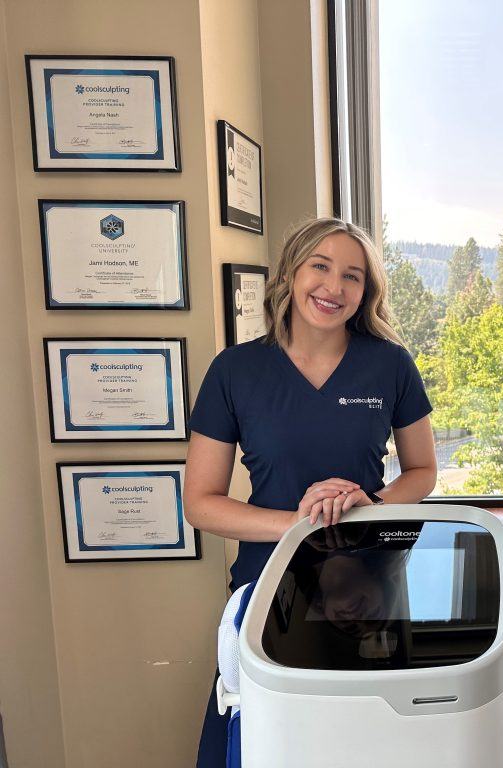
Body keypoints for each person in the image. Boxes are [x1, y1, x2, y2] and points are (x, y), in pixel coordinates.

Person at [184, 217, 437, 767]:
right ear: (290, 273)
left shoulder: (389, 364)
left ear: (365, 291)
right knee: (270, 740)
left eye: (352, 276)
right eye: (320, 266)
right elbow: (200, 502)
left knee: (373, 742)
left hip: (373, 582)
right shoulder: (235, 370)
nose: (333, 287)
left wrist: (366, 509)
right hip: (270, 581)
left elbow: (421, 472)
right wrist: (303, 523)